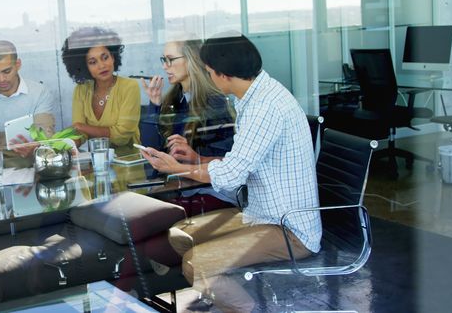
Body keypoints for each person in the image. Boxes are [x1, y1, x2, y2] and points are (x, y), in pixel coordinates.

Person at [140, 34, 322, 307]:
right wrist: (197, 158)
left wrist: (178, 167)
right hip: (261, 214)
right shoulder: (253, 97)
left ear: (224, 75)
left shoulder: (264, 108)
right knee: (180, 236)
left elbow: (231, 176)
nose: (209, 78)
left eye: (210, 72)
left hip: (289, 228)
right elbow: (239, 162)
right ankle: (223, 299)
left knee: (196, 262)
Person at [140, 38, 234, 157]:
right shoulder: (174, 99)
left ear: (192, 59)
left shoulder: (214, 101)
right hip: (171, 173)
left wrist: (191, 149)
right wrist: (154, 104)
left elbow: (224, 155)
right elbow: (150, 149)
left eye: (170, 59)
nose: (164, 66)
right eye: (164, 59)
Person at [61, 27, 140, 149]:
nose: (102, 65)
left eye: (105, 57)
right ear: (84, 66)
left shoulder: (130, 87)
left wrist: (81, 127)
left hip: (128, 161)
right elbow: (80, 134)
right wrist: (60, 147)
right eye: (93, 62)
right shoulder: (81, 90)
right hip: (96, 161)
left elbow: (121, 137)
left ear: (113, 57)